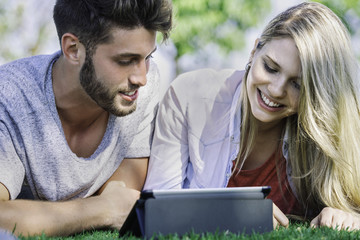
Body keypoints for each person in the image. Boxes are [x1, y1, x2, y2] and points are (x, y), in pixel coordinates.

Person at [144, 1, 360, 231]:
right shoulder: (190, 96)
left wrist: (345, 214)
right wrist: (235, 214)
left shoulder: (333, 129)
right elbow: (155, 210)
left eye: (297, 84)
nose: (276, 90)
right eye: (270, 68)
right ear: (254, 50)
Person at [0, 0, 172, 237]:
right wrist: (100, 209)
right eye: (125, 61)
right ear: (73, 49)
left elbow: (122, 198)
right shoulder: (9, 96)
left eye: (148, 58)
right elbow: (111, 208)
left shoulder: (141, 89)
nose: (141, 77)